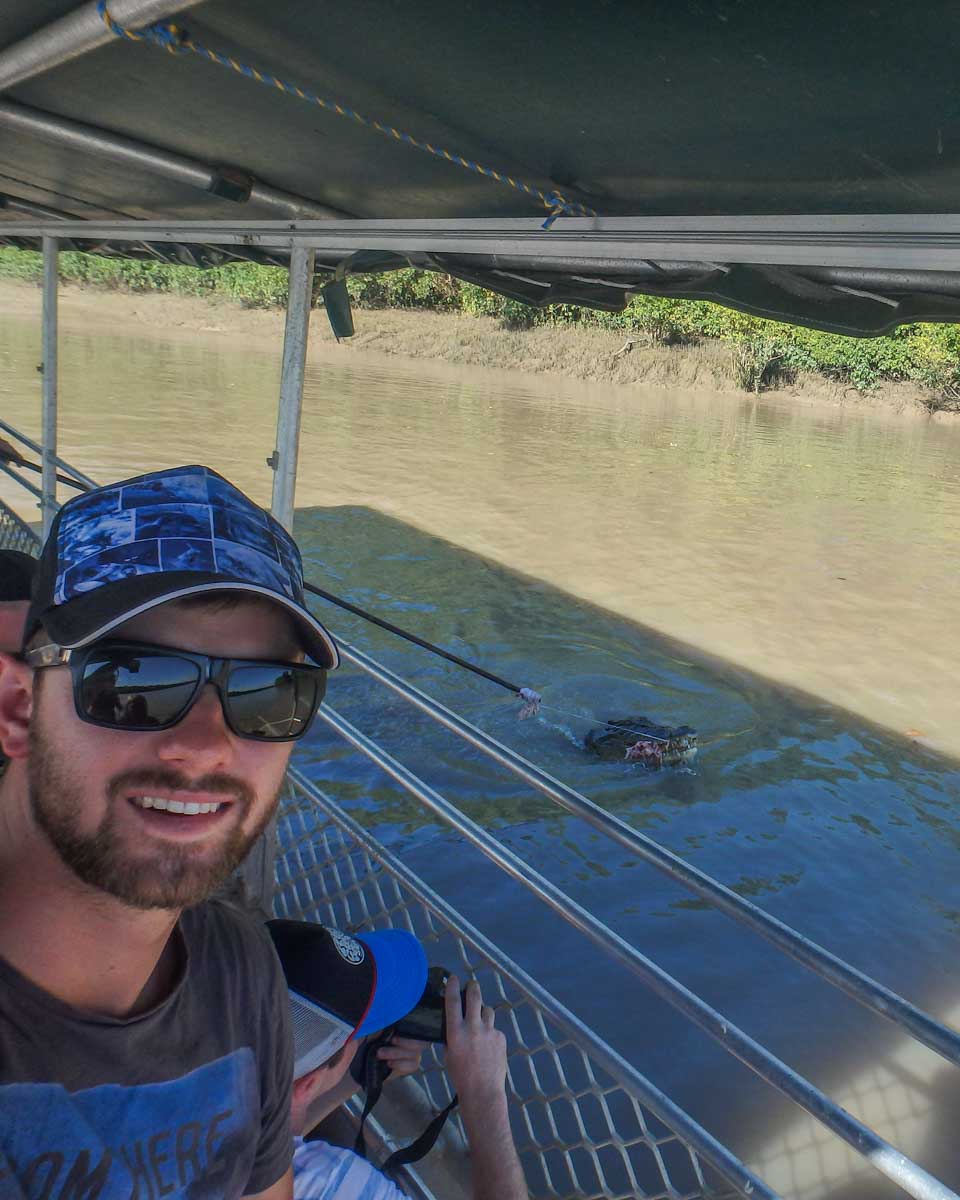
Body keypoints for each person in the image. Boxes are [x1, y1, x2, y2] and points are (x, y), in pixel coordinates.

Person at [0, 465, 340, 1199]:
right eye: (131, 682)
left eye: (267, 691)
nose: (207, 745)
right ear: (19, 709)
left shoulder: (239, 966)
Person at [267, 919, 528, 1200]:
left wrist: (360, 1071)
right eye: (361, 1034)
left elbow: (278, 1137)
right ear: (309, 1083)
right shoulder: (326, 1184)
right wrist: (483, 1095)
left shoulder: (224, 1104)